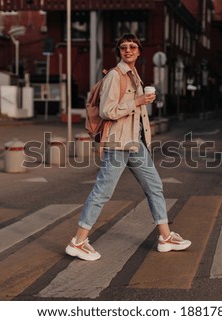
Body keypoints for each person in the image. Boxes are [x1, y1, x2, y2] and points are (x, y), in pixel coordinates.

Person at [65, 34, 191, 261]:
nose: (128, 50)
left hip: (134, 142)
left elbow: (135, 114)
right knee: (103, 191)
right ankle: (79, 241)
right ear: (119, 52)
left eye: (133, 47)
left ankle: (165, 237)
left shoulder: (134, 75)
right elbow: (107, 111)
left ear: (139, 51)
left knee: (154, 186)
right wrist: (137, 102)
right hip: (118, 143)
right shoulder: (116, 75)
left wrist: (143, 105)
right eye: (123, 47)